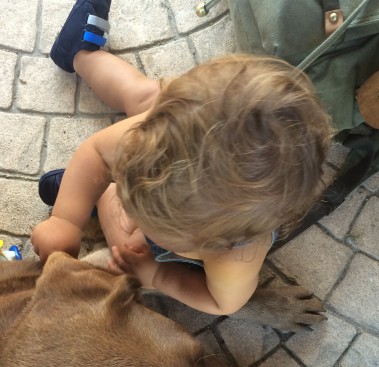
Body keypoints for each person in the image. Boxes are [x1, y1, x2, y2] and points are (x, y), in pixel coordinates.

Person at [31, 0, 332, 315]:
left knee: (129, 246)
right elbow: (95, 153)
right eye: (125, 186)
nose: (127, 200)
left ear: (211, 245)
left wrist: (159, 275)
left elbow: (221, 302)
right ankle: (80, 53)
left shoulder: (236, 258)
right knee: (145, 97)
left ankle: (101, 197)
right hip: (177, 121)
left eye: (135, 207)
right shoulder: (163, 133)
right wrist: (64, 220)